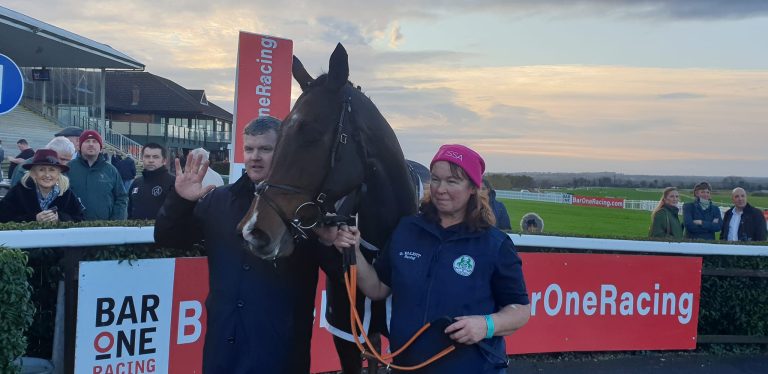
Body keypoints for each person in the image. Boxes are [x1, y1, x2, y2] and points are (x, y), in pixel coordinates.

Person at [155, 116, 339, 373]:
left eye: (265, 149)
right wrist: (180, 201)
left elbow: (339, 273)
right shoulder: (218, 201)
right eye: (249, 148)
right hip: (223, 350)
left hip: (281, 353)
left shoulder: (307, 210)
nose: (255, 156)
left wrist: (335, 244)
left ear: (284, 150)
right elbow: (168, 238)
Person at [334, 144, 530, 373]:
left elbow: (520, 311)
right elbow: (377, 288)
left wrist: (486, 325)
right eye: (435, 179)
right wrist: (353, 251)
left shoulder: (494, 243)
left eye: (452, 181)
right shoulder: (407, 229)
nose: (440, 189)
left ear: (473, 188)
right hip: (406, 367)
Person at [0, 149, 83, 223]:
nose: (47, 175)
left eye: (52, 170)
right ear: (33, 174)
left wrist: (59, 218)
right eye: (41, 170)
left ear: (58, 174)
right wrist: (34, 218)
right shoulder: (18, 191)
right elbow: (3, 218)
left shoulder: (67, 193)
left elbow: (80, 219)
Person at [67, 130, 128, 220]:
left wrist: (115, 222)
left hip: (104, 229)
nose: (91, 144)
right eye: (87, 141)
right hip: (75, 228)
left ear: (101, 148)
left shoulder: (111, 170)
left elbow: (121, 198)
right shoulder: (68, 168)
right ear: (80, 146)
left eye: (95, 141)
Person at [128, 143, 175, 219]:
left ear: (164, 161)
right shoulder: (136, 183)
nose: (151, 160)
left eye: (155, 157)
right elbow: (130, 211)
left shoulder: (173, 182)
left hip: (163, 230)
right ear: (142, 158)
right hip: (137, 230)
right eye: (147, 156)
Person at [11, 137, 75, 187]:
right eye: (62, 159)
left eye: (68, 160)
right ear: (50, 152)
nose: (65, 163)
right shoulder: (24, 168)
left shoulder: (60, 168)